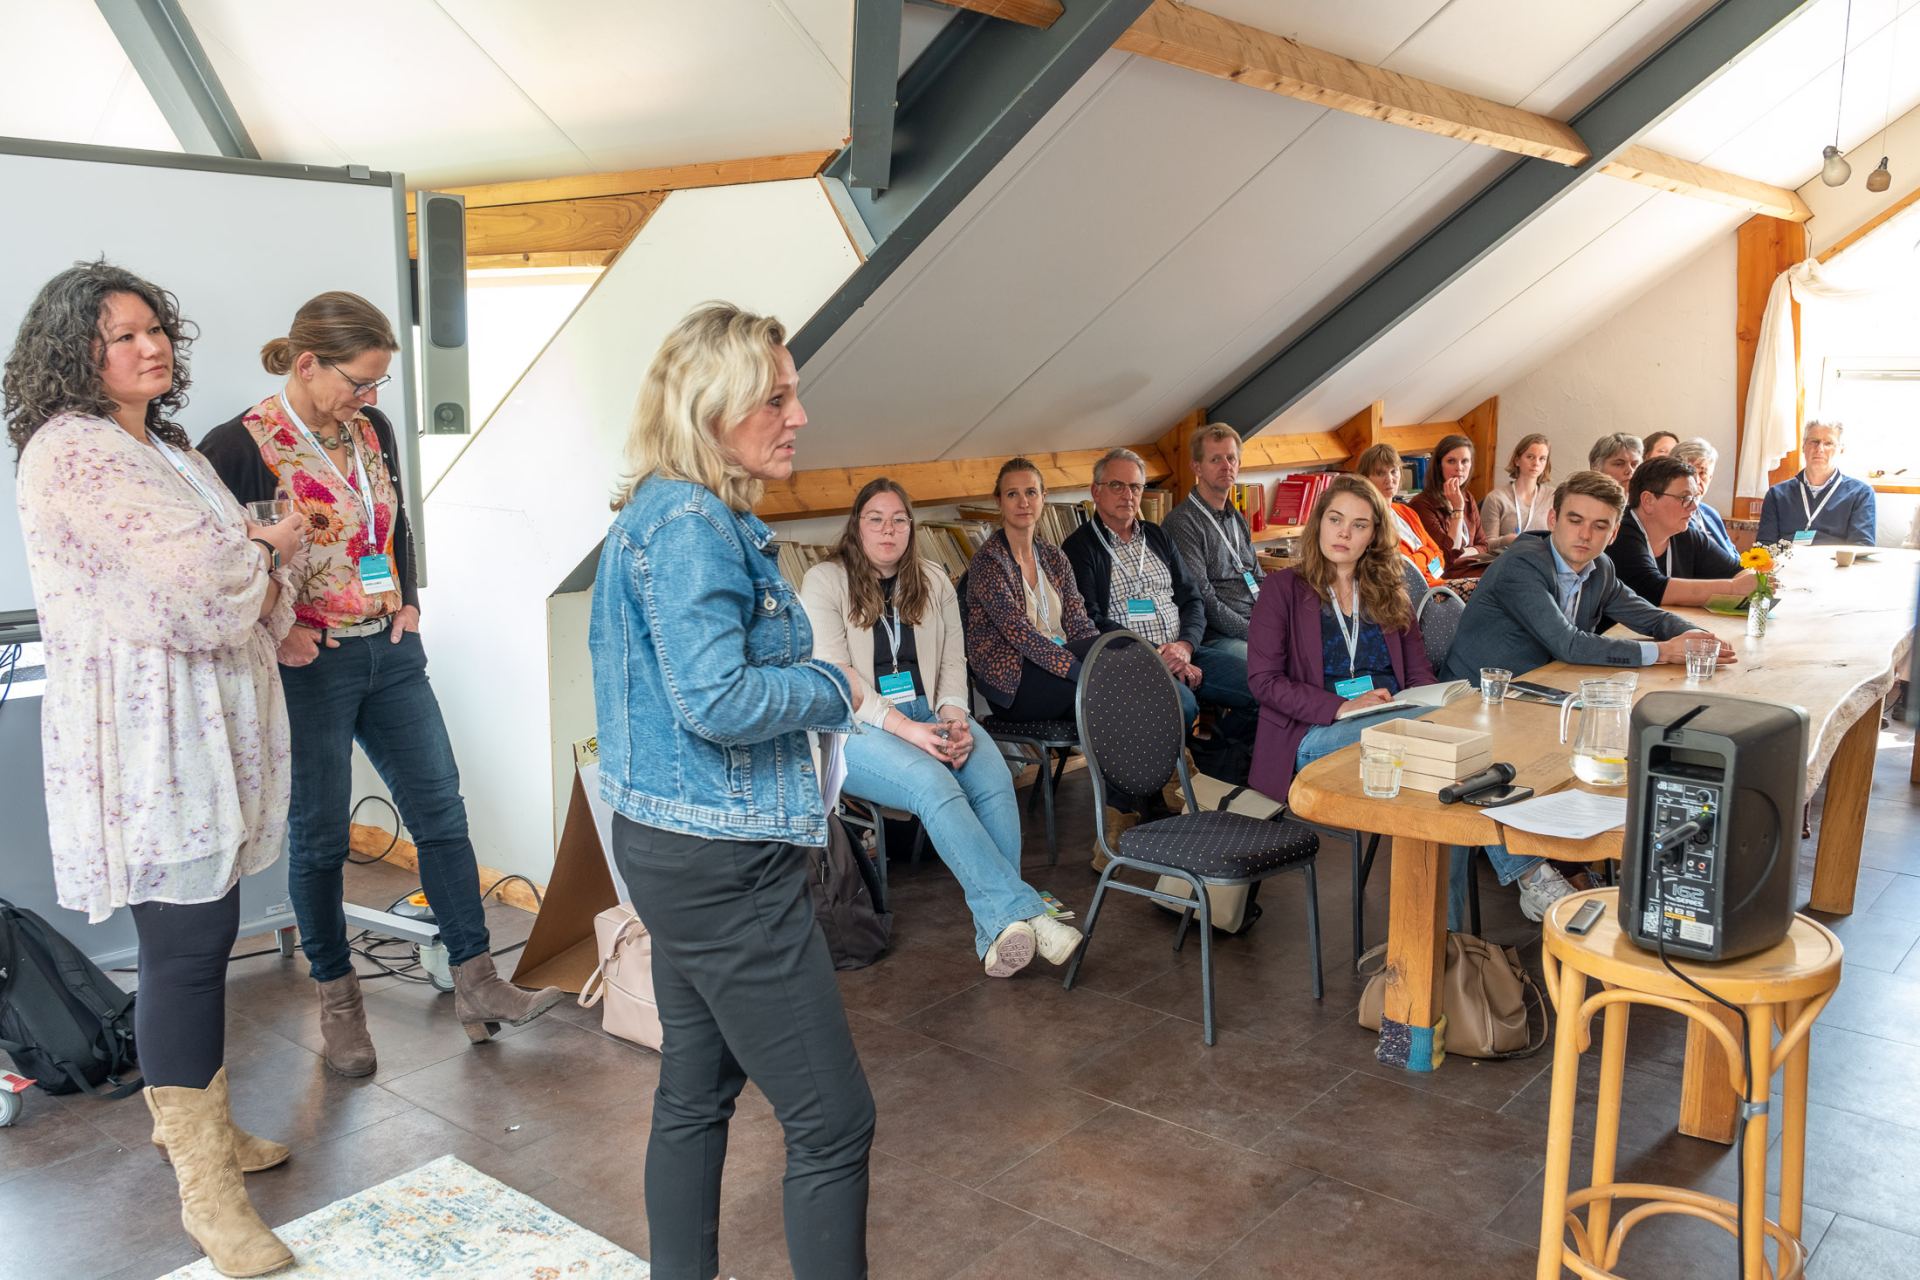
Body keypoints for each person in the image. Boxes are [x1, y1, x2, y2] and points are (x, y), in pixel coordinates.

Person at [7, 262, 304, 1276]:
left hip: (205, 719)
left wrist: (259, 556)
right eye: (122, 335)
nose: (150, 347)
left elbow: (235, 577)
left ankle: (196, 1129)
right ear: (74, 354)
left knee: (199, 930)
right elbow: (206, 580)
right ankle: (206, 1192)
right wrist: (267, 548)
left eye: (155, 328)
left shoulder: (168, 448)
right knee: (187, 942)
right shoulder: (73, 449)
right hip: (149, 734)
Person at [201, 293, 563, 1074]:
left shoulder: (372, 430)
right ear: (308, 364)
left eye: (377, 384)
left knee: (441, 813)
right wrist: (277, 629)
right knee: (322, 838)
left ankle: (478, 982)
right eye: (358, 381)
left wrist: (409, 598)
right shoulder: (236, 446)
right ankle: (340, 1007)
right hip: (312, 664)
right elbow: (220, 566)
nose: (368, 397)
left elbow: (392, 523)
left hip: (390, 651)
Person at [588, 302, 872, 1279]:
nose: (799, 415)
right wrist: (832, 685)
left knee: (694, 1091)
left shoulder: (665, 509)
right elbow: (714, 697)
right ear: (712, 409)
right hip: (722, 864)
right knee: (834, 1122)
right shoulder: (692, 524)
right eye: (776, 397)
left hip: (675, 849)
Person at [801, 478, 1083, 977]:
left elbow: (954, 663)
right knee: (934, 784)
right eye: (875, 520)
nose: (888, 530)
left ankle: (998, 932)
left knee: (994, 779)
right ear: (857, 526)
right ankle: (1027, 913)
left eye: (899, 520)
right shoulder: (824, 581)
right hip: (855, 729)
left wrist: (954, 717)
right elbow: (841, 680)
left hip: (930, 712)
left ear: (911, 527)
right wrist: (908, 731)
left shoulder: (933, 579)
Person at [1442, 470, 1734, 922]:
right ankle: (1537, 874)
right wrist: (1664, 652)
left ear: (1614, 533)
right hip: (1476, 701)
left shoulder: (1601, 569)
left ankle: (1581, 863)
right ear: (1553, 519)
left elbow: (1650, 616)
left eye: (1600, 526)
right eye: (1575, 520)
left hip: (1539, 697)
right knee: (1574, 746)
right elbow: (1570, 644)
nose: (1585, 535)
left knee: (1611, 741)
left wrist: (1696, 637)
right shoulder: (1522, 565)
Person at [1246, 475, 1436, 802]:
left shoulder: (1391, 593)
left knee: (1446, 725)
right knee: (1424, 730)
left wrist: (1428, 703)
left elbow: (1419, 674)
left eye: (1359, 525)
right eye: (1335, 520)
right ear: (1320, 523)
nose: (1344, 533)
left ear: (1374, 535)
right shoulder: (1282, 589)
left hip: (1391, 717)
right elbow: (1264, 681)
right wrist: (1343, 707)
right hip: (1313, 730)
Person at [1062, 447, 1256, 734]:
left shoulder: (1157, 536)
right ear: (1096, 491)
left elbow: (1192, 599)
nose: (1127, 495)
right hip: (1131, 661)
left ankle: (1217, 755)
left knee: (1263, 684)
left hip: (1184, 650)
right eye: (1116, 485)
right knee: (1181, 705)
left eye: (1135, 487)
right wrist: (1158, 654)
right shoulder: (1079, 548)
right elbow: (1090, 620)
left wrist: (1185, 646)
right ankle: (1182, 759)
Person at [964, 457, 1103, 721]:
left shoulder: (1054, 556)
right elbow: (1020, 634)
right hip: (1015, 680)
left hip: (1063, 660)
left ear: (1043, 497)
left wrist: (1098, 656)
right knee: (1097, 693)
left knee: (1121, 652)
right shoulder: (988, 562)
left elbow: (1079, 621)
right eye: (1012, 494)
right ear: (999, 501)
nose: (1023, 502)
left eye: (1030, 492)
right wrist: (1078, 670)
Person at [1165, 422, 1266, 657]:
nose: (1226, 466)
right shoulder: (1183, 522)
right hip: (1217, 637)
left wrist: (1276, 621)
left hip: (1256, 624)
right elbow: (1203, 599)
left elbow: (1258, 578)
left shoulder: (1236, 518)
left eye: (1231, 458)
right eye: (1215, 459)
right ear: (1197, 467)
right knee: (1267, 663)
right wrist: (1255, 632)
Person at [1604, 455, 1755, 608]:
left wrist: (1749, 581)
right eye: (1685, 498)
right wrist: (1733, 588)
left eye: (1695, 498)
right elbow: (1651, 589)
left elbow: (1739, 571)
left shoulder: (1685, 535)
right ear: (1648, 501)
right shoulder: (1620, 532)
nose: (1694, 506)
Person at [1757, 420, 1875, 546]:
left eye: (1828, 443)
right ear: (1803, 446)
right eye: (1814, 441)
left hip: (1834, 558)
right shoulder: (1776, 495)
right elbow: (1764, 545)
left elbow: (1862, 546)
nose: (1819, 449)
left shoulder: (1861, 493)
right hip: (1788, 558)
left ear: (1841, 449)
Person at [1356, 442, 1447, 588]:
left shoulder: (1406, 511)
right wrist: (1426, 554)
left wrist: (1422, 565)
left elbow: (1440, 557)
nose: (1389, 479)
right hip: (1410, 595)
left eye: (1394, 471)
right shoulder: (1370, 522)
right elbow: (1402, 571)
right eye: (1380, 473)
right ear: (1365, 479)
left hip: (1437, 585)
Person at [1405, 433, 1490, 578]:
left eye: (1465, 461)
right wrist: (1458, 509)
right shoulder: (1421, 504)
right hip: (1445, 577)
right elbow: (1446, 557)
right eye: (1451, 461)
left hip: (1471, 568)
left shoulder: (1467, 497)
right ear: (1439, 466)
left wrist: (1461, 553)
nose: (1459, 468)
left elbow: (1483, 545)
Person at [1479, 433, 1552, 551]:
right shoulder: (1496, 498)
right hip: (1506, 559)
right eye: (1530, 457)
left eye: (1542, 459)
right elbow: (1485, 545)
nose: (1536, 463)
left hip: (1542, 558)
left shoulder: (1553, 497)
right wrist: (1506, 540)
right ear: (1517, 460)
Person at [1671, 437, 1739, 559]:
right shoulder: (1670, 515)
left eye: (1703, 473)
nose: (1697, 481)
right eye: (1690, 473)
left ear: (1710, 477)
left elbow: (1734, 556)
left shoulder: (1711, 513)